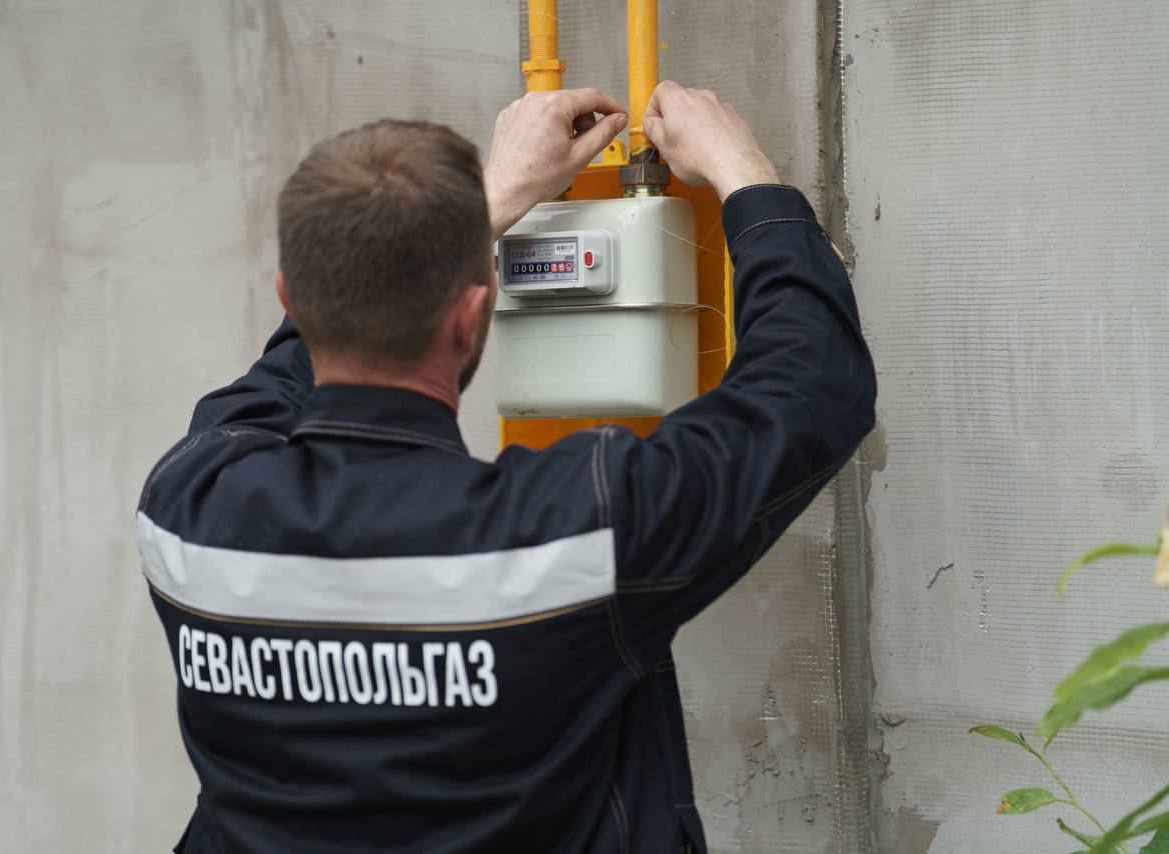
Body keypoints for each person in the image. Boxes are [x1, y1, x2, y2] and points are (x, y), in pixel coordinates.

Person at [137, 81, 876, 854]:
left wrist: (478, 213)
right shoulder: (571, 535)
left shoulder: (188, 508)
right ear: (470, 315)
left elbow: (277, 382)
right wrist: (743, 169)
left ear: (291, 295)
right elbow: (809, 388)